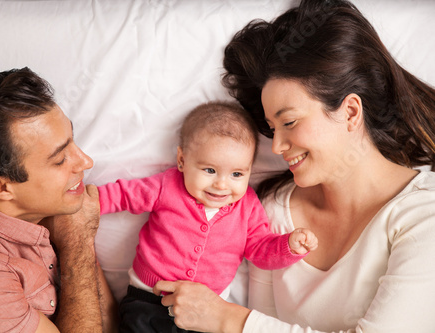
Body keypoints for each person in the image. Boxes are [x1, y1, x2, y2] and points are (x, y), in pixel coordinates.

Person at [152, 0, 435, 332]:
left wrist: (226, 318)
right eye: (272, 128)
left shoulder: (423, 217)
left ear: (351, 113)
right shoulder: (273, 211)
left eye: (289, 122)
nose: (276, 146)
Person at [97, 101, 318, 332]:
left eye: (236, 174)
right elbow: (124, 195)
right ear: (182, 161)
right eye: (210, 170)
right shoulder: (167, 185)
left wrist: (288, 247)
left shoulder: (248, 206)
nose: (221, 184)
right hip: (148, 299)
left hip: (207, 314)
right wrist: (91, 201)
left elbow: (260, 248)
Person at [0, 67, 117, 332]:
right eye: (59, 159)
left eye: (72, 141)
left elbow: (110, 324)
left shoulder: (43, 202)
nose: (86, 162)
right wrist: (77, 243)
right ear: (1, 186)